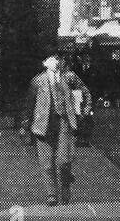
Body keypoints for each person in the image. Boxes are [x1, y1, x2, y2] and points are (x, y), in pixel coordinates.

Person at [22, 54, 80, 206]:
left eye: (58, 60)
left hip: (63, 123)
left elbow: (80, 93)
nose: (56, 63)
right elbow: (30, 103)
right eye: (52, 60)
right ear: (46, 64)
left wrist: (80, 113)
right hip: (43, 125)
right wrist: (25, 124)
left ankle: (65, 183)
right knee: (46, 163)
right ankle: (52, 194)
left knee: (64, 161)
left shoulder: (68, 78)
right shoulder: (37, 81)